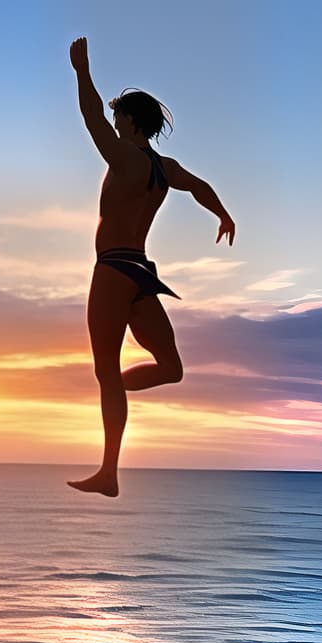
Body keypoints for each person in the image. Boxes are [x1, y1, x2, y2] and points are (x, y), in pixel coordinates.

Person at [67, 36, 235, 497]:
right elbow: (199, 186)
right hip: (142, 273)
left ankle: (108, 470)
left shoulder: (123, 158)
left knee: (107, 372)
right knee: (170, 368)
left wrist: (81, 70)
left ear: (131, 121)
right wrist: (222, 213)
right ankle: (113, 393)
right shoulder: (165, 168)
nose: (114, 121)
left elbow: (89, 116)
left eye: (120, 115)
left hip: (113, 271)